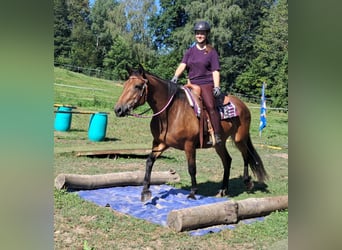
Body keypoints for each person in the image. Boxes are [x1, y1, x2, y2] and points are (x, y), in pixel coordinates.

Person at [171, 20, 223, 145]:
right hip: (191, 83)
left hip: (206, 83)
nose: (199, 35)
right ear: (195, 35)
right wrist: (175, 76)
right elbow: (183, 64)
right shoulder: (190, 51)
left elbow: (215, 70)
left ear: (206, 35)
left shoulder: (211, 52)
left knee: (210, 106)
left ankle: (216, 134)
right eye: (198, 33)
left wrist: (216, 87)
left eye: (202, 33)